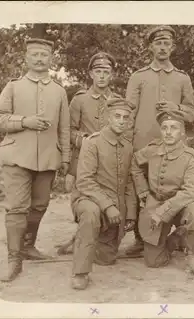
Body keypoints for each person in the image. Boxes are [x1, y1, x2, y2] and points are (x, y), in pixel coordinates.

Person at [0, 38, 70, 282]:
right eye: (34, 54)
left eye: (44, 55)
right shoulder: (13, 87)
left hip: (47, 158)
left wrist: (65, 158)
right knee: (17, 208)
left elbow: (64, 128)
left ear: (50, 60)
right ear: (26, 58)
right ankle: (14, 260)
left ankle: (27, 246)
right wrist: (25, 121)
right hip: (16, 156)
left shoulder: (59, 91)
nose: (39, 59)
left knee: (39, 206)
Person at [124, 25, 194, 258]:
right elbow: (128, 112)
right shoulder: (139, 77)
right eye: (158, 43)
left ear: (172, 47)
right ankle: (141, 238)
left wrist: (175, 108)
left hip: (174, 146)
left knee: (172, 189)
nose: (162, 47)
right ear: (151, 47)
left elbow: (192, 114)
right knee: (141, 192)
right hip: (143, 144)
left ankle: (176, 234)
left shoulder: (182, 78)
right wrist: (128, 141)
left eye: (166, 43)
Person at [131, 109, 194, 277]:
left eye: (173, 127)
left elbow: (192, 190)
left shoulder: (191, 156)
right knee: (154, 262)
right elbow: (134, 163)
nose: (168, 132)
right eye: (164, 128)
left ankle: (192, 258)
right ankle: (176, 238)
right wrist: (142, 189)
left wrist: (163, 212)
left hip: (181, 205)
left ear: (182, 132)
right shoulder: (152, 149)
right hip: (155, 202)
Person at [56, 52, 121, 255]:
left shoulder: (118, 100)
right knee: (82, 200)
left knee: (108, 199)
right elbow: (68, 130)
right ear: (91, 74)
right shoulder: (80, 100)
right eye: (98, 71)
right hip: (83, 159)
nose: (102, 76)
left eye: (106, 72)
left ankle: (98, 239)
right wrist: (83, 139)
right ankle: (79, 237)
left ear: (112, 75)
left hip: (109, 162)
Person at [70, 98, 137, 290]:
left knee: (106, 259)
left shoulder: (128, 147)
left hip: (116, 207)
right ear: (108, 118)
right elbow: (84, 181)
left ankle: (83, 239)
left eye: (126, 117)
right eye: (117, 116)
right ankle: (80, 273)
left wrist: (130, 213)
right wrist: (107, 206)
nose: (121, 120)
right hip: (88, 199)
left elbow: (129, 183)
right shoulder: (92, 143)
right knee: (90, 214)